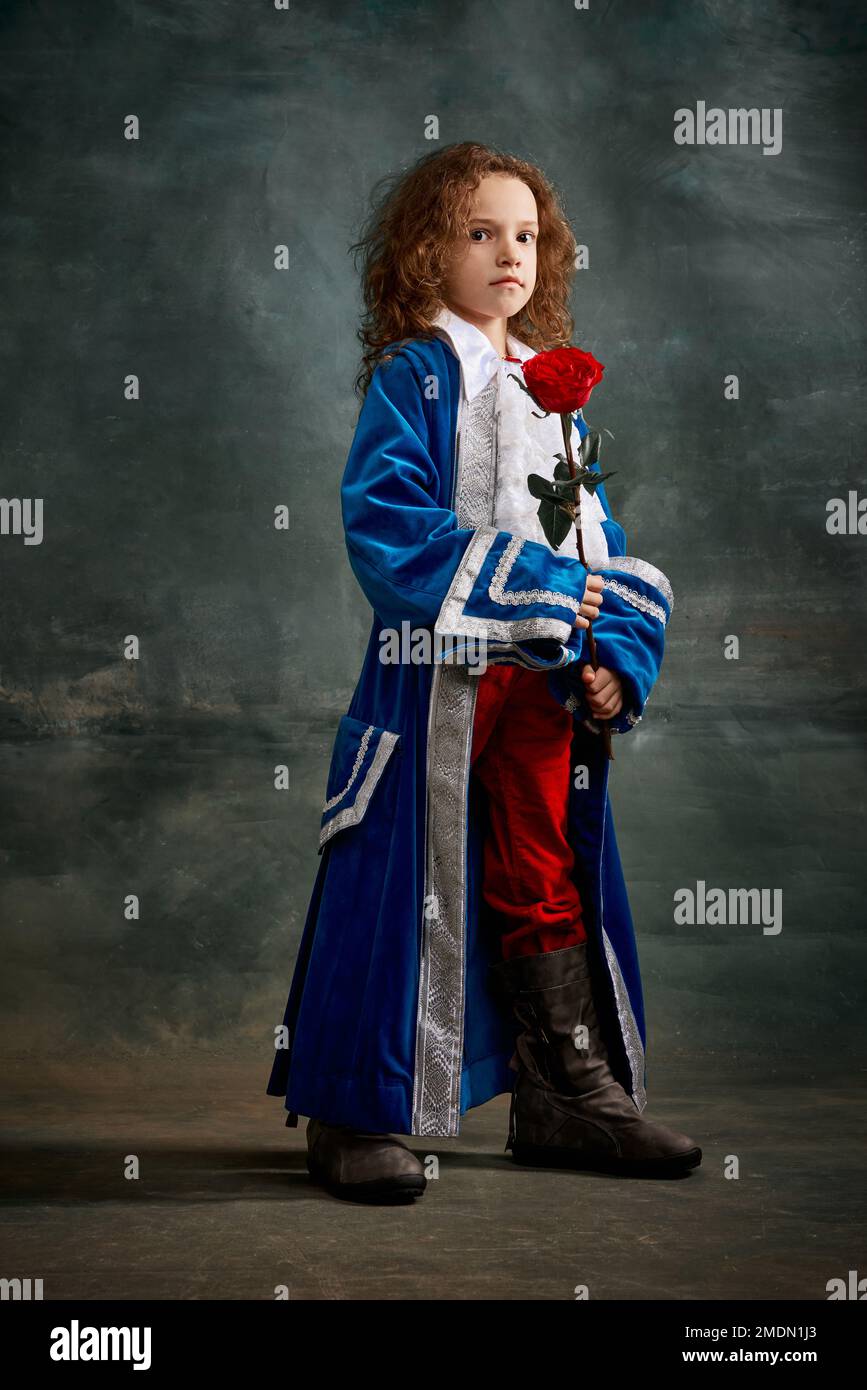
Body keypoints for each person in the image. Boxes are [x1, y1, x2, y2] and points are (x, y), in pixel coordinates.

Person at [266, 141, 701, 1203]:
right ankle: (355, 1109)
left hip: (539, 689)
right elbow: (384, 522)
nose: (510, 252)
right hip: (435, 682)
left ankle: (560, 1094)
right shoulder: (415, 376)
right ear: (426, 253)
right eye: (479, 232)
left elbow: (598, 541)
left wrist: (606, 654)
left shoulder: (552, 393)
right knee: (400, 882)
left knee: (541, 866)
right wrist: (536, 595)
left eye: (525, 234)